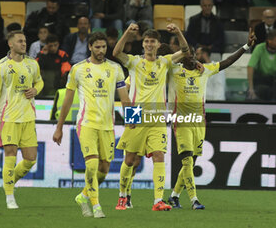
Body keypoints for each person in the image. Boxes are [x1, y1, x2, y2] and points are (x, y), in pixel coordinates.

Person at [167, 29, 256, 210]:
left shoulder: (204, 71)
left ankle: (174, 196)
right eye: (188, 55)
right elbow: (162, 55)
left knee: (192, 163)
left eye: (194, 54)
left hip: (200, 123)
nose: (192, 57)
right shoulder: (174, 72)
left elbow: (227, 62)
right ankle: (194, 200)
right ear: (182, 57)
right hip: (182, 121)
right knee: (187, 161)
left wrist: (246, 46)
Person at [53, 31, 132, 218]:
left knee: (104, 169)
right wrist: (59, 127)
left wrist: (133, 119)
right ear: (89, 47)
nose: (101, 50)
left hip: (107, 125)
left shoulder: (115, 68)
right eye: (97, 47)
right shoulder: (78, 69)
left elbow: (125, 98)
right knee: (92, 164)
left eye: (104, 47)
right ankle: (96, 206)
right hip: (86, 123)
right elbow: (67, 101)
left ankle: (83, 196)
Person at [113, 23, 190, 211]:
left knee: (159, 155)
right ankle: (123, 196)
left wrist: (179, 32)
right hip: (135, 113)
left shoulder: (164, 62)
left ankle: (158, 200)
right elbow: (116, 53)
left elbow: (186, 51)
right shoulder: (134, 62)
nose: (149, 44)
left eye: (152, 42)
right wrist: (127, 34)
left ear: (158, 44)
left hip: (157, 115)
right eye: (146, 41)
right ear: (143, 44)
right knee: (130, 159)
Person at [0, 30, 44, 209]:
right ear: (10, 44)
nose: (24, 44)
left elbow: (40, 81)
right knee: (10, 157)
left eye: (25, 41)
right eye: (20, 41)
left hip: (28, 117)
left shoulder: (32, 64)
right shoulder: (2, 66)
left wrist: (36, 90)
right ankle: (10, 196)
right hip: (10, 118)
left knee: (30, 160)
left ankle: (9, 181)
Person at [247, 29, 276, 102]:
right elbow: (250, 66)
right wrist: (251, 88)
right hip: (261, 79)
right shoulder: (259, 48)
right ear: (269, 41)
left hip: (275, 80)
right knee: (253, 95)